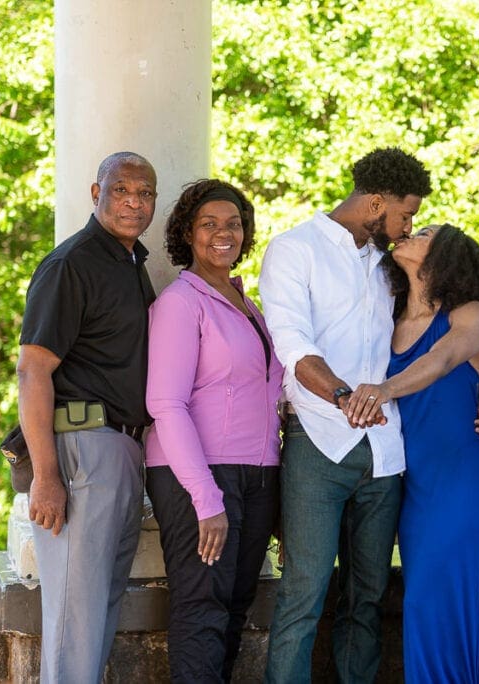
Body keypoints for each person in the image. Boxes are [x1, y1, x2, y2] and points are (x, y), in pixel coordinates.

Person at [258, 147, 433, 683]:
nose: (409, 227)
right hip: (317, 443)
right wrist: (343, 396)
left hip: (386, 453)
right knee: (304, 592)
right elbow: (295, 348)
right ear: (376, 202)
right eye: (405, 214)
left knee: (368, 596)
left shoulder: (391, 264)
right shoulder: (294, 250)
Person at [344, 224, 479, 682]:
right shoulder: (389, 318)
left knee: (447, 596)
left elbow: (440, 362)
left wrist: (381, 391)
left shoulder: (470, 313)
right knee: (421, 599)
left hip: (463, 479)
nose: (411, 233)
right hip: (412, 485)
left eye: (427, 233)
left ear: (447, 254)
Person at [17, 151, 157, 683]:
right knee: (75, 625)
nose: (134, 202)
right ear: (96, 194)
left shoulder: (128, 263)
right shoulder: (70, 264)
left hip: (120, 451)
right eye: (121, 190)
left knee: (96, 619)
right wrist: (47, 477)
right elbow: (33, 372)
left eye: (145, 193)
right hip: (80, 452)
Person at [144, 179, 282, 682]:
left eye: (234, 224)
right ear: (187, 232)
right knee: (203, 607)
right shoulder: (182, 303)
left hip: (257, 474)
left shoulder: (249, 305)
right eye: (209, 224)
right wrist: (206, 498)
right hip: (200, 476)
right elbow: (165, 403)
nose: (224, 234)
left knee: (234, 607)